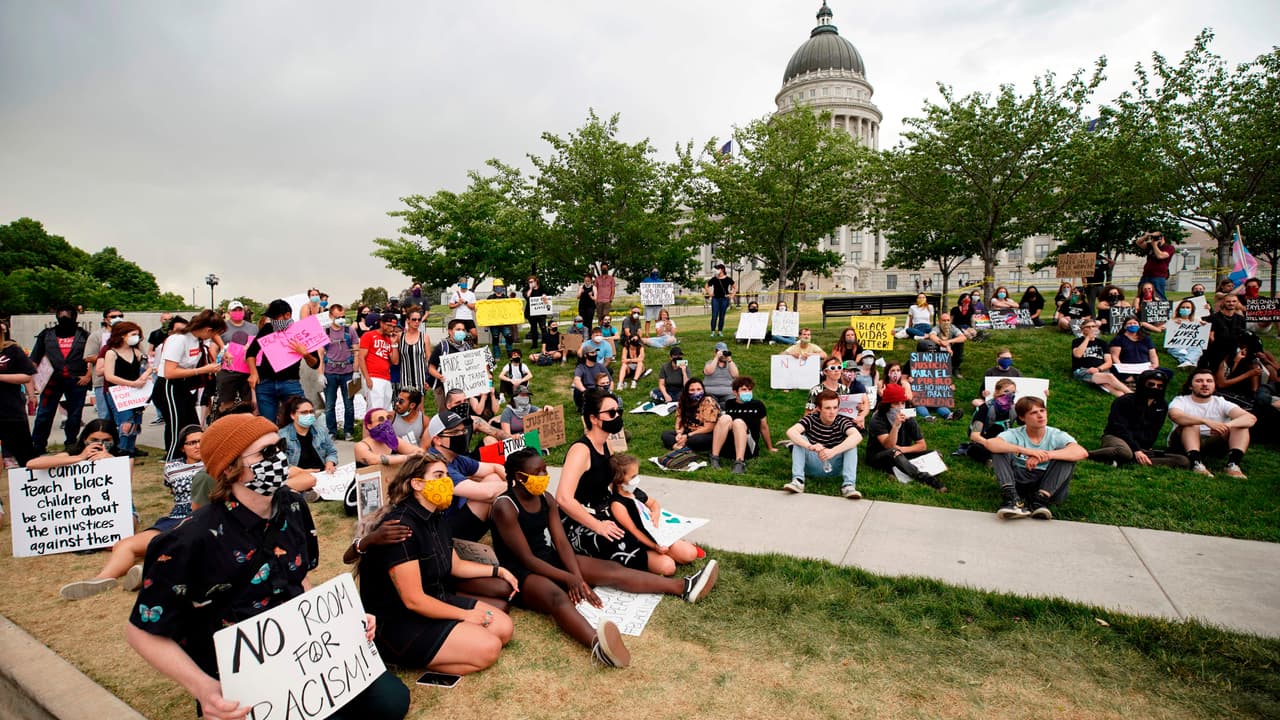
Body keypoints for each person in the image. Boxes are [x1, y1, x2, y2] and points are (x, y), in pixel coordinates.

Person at [126, 413, 411, 719]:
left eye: (280, 446)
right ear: (232, 468)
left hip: (304, 652)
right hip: (246, 673)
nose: (279, 458)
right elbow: (141, 631)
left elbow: (299, 579)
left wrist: (341, 620)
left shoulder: (292, 505)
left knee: (392, 703)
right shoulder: (189, 539)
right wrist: (203, 688)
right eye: (266, 452)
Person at [490, 450, 716, 670]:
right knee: (558, 598)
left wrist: (577, 578)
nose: (544, 476)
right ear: (520, 477)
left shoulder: (546, 499)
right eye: (537, 472)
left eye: (544, 470)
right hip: (519, 572)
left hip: (548, 558)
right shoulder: (504, 506)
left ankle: (684, 587)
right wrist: (570, 579)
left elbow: (560, 542)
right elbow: (527, 559)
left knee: (611, 570)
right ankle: (599, 647)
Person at [355, 454, 514, 676]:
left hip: (436, 598)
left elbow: (455, 565)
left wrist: (498, 570)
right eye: (438, 475)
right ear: (417, 484)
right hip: (400, 620)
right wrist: (464, 615)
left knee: (504, 628)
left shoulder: (436, 515)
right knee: (489, 647)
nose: (447, 482)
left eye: (447, 476)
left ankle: (451, 644)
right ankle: (404, 657)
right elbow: (413, 600)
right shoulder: (401, 527)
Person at [58, 424, 204, 601]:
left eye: (202, 442)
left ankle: (148, 574)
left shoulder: (216, 463)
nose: (198, 446)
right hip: (175, 516)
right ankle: (101, 579)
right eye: (192, 442)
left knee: (176, 544)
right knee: (124, 545)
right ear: (183, 447)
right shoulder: (171, 467)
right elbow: (174, 492)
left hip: (201, 516)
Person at [984, 396, 1088, 520]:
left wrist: (1045, 456)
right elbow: (990, 443)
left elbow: (1081, 452)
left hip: (1048, 484)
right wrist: (1027, 451)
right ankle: (1011, 498)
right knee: (1000, 450)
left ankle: (1040, 500)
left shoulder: (1055, 434)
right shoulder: (1015, 434)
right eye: (1033, 413)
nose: (1040, 415)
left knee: (1067, 455)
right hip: (1019, 481)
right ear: (1022, 417)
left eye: (1042, 411)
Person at [607, 454, 704, 575]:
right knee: (668, 568)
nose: (637, 479)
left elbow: (653, 503)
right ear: (619, 480)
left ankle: (674, 550)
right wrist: (655, 547)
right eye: (633, 476)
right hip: (639, 544)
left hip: (656, 535)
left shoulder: (634, 491)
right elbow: (634, 530)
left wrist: (656, 514)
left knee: (690, 554)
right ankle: (663, 556)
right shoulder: (617, 504)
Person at [1088, 370, 1189, 469]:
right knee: (1124, 452)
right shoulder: (1125, 401)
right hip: (1117, 438)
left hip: (1141, 446)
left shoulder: (1162, 405)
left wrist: (1145, 448)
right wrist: (1136, 449)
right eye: (1151, 384)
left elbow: (1154, 429)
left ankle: (1130, 461)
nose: (1155, 388)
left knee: (1182, 460)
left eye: (1159, 386)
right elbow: (1118, 428)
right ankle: (1087, 455)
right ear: (1142, 384)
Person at [159, 310, 225, 461]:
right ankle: (172, 462)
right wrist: (203, 370)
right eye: (212, 333)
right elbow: (169, 372)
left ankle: (193, 461)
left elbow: (214, 334)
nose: (212, 337)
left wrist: (223, 349)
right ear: (207, 329)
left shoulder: (197, 336)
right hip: (169, 386)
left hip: (184, 386)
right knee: (177, 428)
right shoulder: (179, 340)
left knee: (193, 426)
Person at [28, 305, 93, 456]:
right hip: (52, 381)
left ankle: (71, 442)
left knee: (75, 414)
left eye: (68, 313)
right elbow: (34, 360)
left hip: (76, 381)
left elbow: (93, 357)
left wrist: (88, 376)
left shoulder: (84, 335)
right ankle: (38, 444)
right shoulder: (46, 335)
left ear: (75, 315)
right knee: (44, 413)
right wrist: (34, 381)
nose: (64, 316)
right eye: (61, 313)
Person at [1168, 369, 1255, 478]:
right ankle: (1197, 464)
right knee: (1191, 424)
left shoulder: (1220, 402)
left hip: (1213, 442)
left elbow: (1250, 418)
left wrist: (1227, 426)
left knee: (1241, 426)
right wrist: (1205, 421)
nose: (1205, 384)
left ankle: (1233, 465)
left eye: (1209, 381)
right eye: (1199, 381)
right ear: (1190, 386)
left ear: (1214, 386)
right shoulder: (1181, 400)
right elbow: (1175, 416)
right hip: (1182, 443)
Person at [246, 300, 318, 429]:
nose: (273, 320)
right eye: (271, 318)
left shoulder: (303, 331)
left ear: (287, 315)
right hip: (265, 383)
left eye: (275, 317)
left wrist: (305, 354)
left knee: (299, 421)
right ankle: (273, 447)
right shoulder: (268, 329)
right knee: (267, 426)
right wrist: (253, 373)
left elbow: (315, 364)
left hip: (290, 383)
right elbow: (251, 353)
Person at [864, 383, 947, 491]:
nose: (900, 407)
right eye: (896, 404)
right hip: (880, 455)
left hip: (902, 454)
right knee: (894, 451)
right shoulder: (877, 419)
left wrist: (903, 449)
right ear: (888, 405)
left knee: (936, 454)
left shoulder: (909, 417)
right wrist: (895, 426)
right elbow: (889, 445)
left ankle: (900, 471)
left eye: (902, 403)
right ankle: (925, 478)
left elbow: (922, 445)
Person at [783, 389, 864, 498]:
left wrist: (833, 451)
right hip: (813, 462)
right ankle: (798, 480)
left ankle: (848, 485)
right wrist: (810, 446)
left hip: (835, 465)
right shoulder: (810, 419)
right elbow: (791, 432)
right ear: (819, 408)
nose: (832, 412)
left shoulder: (842, 421)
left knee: (852, 444)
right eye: (827, 408)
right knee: (800, 439)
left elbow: (857, 436)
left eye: (835, 408)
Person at [101, 321, 155, 457]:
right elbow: (109, 376)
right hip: (118, 392)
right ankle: (122, 450)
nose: (136, 337)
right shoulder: (111, 353)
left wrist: (144, 377)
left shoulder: (136, 352)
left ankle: (130, 450)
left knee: (136, 421)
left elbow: (148, 367)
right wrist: (132, 383)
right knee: (126, 422)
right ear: (122, 335)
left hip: (135, 392)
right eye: (133, 334)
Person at [713, 376, 777, 474]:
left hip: (748, 446)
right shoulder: (729, 403)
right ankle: (715, 457)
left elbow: (764, 427)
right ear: (735, 392)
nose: (747, 392)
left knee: (738, 422)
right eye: (744, 389)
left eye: (749, 389)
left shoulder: (758, 405)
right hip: (729, 446)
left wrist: (770, 447)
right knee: (725, 418)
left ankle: (740, 462)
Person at [355, 407, 426, 492]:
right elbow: (374, 460)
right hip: (367, 489)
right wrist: (407, 458)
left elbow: (418, 451)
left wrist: (417, 453)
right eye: (381, 419)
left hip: (390, 486)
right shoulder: (361, 446)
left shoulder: (393, 440)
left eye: (388, 418)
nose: (386, 422)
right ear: (369, 426)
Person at [0, 318, 37, 466]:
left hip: (10, 409)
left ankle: (31, 483)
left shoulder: (12, 349)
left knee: (24, 454)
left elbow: (26, 375)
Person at [274, 396, 330, 493]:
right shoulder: (282, 436)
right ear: (292, 415)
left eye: (311, 412)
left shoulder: (321, 431)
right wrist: (303, 472)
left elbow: (331, 451)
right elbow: (282, 465)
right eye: (304, 412)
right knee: (309, 480)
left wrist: (330, 463)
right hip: (299, 475)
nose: (309, 415)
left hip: (322, 474)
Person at [318, 303, 357, 439]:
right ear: (330, 316)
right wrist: (320, 374)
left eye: (343, 316)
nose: (341, 319)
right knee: (329, 405)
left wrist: (356, 371)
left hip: (347, 372)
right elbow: (321, 354)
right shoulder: (325, 332)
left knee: (349, 404)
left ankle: (348, 431)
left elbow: (356, 351)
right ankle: (332, 431)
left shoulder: (349, 331)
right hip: (330, 372)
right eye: (337, 317)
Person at [214, 301, 258, 418]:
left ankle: (246, 425)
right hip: (228, 371)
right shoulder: (222, 327)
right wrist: (215, 365)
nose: (238, 312)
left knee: (248, 402)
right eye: (235, 310)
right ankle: (224, 425)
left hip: (247, 370)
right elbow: (213, 348)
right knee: (226, 402)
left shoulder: (253, 328)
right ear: (229, 312)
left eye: (240, 310)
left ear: (244, 311)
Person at [1070, 320, 1132, 397]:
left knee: (1119, 393)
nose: (1091, 329)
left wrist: (1098, 369)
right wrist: (1088, 338)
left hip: (1101, 370)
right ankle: (1133, 395)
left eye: (1093, 326)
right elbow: (1078, 355)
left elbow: (1109, 362)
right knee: (1109, 377)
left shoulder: (1102, 343)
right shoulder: (1077, 341)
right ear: (1082, 330)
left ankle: (1128, 398)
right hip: (1083, 370)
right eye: (1088, 327)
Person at [659, 378, 722, 453]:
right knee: (666, 434)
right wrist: (679, 433)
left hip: (704, 433)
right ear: (687, 391)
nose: (696, 392)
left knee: (694, 440)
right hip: (688, 431)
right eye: (692, 390)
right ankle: (679, 447)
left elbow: (708, 428)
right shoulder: (683, 401)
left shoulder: (708, 401)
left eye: (699, 389)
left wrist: (688, 436)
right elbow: (679, 421)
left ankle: (681, 446)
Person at [966, 378, 1019, 464]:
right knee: (975, 450)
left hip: (1004, 439)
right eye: (1006, 391)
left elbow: (1027, 425)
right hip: (985, 440)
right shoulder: (985, 408)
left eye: (1013, 393)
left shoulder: (1014, 409)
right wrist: (990, 444)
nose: (1010, 395)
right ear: (997, 392)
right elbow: (974, 435)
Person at [357, 311, 401, 412]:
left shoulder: (389, 339)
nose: (391, 329)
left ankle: (383, 428)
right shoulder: (368, 336)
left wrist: (394, 344)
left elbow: (395, 361)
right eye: (389, 325)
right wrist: (367, 378)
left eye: (393, 326)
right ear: (381, 323)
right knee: (375, 411)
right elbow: (361, 357)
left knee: (386, 409)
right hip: (373, 377)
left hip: (386, 377)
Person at [84, 308, 123, 421]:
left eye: (120, 316)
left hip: (124, 381)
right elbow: (88, 357)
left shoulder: (127, 334)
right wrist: (111, 356)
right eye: (113, 316)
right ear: (105, 319)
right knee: (105, 416)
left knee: (124, 417)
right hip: (102, 381)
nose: (118, 319)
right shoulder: (97, 335)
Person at [1108, 317, 1162, 384]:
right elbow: (1115, 357)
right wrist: (1121, 367)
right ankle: (1142, 379)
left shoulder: (1146, 339)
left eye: (1135, 323)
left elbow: (1153, 355)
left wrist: (1155, 364)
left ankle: (1140, 379)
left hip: (1145, 367)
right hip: (1127, 367)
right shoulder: (1118, 339)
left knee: (1167, 372)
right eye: (1129, 324)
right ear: (1125, 326)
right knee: (1117, 373)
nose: (1132, 325)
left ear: (1139, 325)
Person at [1206, 293, 1249, 372]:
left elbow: (1243, 336)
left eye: (1234, 301)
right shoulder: (1213, 318)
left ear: (1237, 303)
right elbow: (1211, 337)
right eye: (1228, 301)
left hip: (1235, 348)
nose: (1231, 303)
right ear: (1223, 302)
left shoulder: (1241, 319)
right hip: (1218, 349)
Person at [1166, 299, 1209, 369]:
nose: (1185, 309)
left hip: (1191, 344)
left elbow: (1200, 336)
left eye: (1188, 307)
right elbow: (1166, 334)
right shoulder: (1173, 320)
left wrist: (1203, 325)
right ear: (1179, 309)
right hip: (1176, 345)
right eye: (1183, 307)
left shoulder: (1196, 320)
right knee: (1181, 351)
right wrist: (1173, 324)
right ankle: (1191, 362)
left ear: (1192, 310)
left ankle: (1186, 362)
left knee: (1198, 349)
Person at [398, 305, 431, 395]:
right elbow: (396, 359)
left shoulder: (424, 337)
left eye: (419, 319)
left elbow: (428, 359)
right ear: (408, 320)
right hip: (405, 378)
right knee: (405, 406)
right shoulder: (400, 336)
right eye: (414, 319)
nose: (417, 322)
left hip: (420, 379)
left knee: (420, 408)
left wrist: (428, 379)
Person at [1136, 230, 1175, 300]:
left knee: (1159, 294)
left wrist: (1154, 245)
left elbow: (1160, 256)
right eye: (1153, 237)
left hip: (1158, 276)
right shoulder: (1150, 246)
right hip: (1146, 275)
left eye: (1157, 237)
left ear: (1162, 238)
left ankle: (1163, 308)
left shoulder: (1169, 247)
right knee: (1141, 293)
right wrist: (1146, 236)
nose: (1155, 239)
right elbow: (1138, 243)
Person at [926, 312, 966, 378]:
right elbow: (932, 336)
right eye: (944, 320)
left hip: (952, 353)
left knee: (960, 343)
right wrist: (944, 344)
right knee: (929, 343)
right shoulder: (937, 328)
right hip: (939, 352)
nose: (946, 322)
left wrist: (949, 342)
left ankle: (956, 368)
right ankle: (936, 367)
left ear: (950, 321)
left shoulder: (953, 328)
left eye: (948, 320)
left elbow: (963, 337)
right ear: (939, 321)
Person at [572, 348, 610, 412]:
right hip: (587, 391)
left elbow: (610, 381)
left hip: (598, 390)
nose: (595, 354)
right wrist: (585, 391)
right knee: (577, 390)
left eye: (595, 353)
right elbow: (576, 380)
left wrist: (610, 391)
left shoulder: (600, 366)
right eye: (592, 353)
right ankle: (582, 406)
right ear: (585, 355)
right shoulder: (580, 367)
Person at [705, 263, 736, 337]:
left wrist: (732, 295)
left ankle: (720, 331)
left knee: (722, 316)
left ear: (722, 270)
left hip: (724, 299)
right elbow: (706, 286)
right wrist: (710, 293)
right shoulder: (714, 279)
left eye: (717, 269)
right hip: (715, 299)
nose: (716, 271)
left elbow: (735, 287)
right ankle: (712, 331)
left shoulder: (728, 279)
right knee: (714, 315)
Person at [523, 274, 551, 348]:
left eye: (532, 281)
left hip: (541, 312)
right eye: (529, 282)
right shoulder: (527, 289)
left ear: (536, 281)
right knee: (533, 328)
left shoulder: (541, 288)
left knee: (543, 328)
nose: (531, 283)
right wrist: (531, 288)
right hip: (531, 313)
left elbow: (547, 295)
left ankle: (545, 343)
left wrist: (544, 295)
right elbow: (527, 296)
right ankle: (534, 344)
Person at [640, 268, 665, 335]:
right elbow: (642, 290)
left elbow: (664, 292)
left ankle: (658, 334)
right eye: (653, 271)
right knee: (648, 320)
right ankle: (647, 334)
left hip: (658, 304)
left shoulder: (661, 281)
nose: (655, 272)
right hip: (648, 304)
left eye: (656, 271)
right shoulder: (646, 280)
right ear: (650, 271)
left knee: (657, 320)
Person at [594, 261, 616, 327]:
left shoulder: (611, 279)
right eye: (603, 268)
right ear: (601, 269)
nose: (604, 269)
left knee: (606, 318)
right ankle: (600, 331)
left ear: (607, 269)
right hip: (599, 301)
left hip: (607, 301)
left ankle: (606, 331)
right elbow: (595, 289)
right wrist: (595, 300)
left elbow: (613, 289)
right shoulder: (597, 279)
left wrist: (611, 298)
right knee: (600, 317)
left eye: (605, 268)